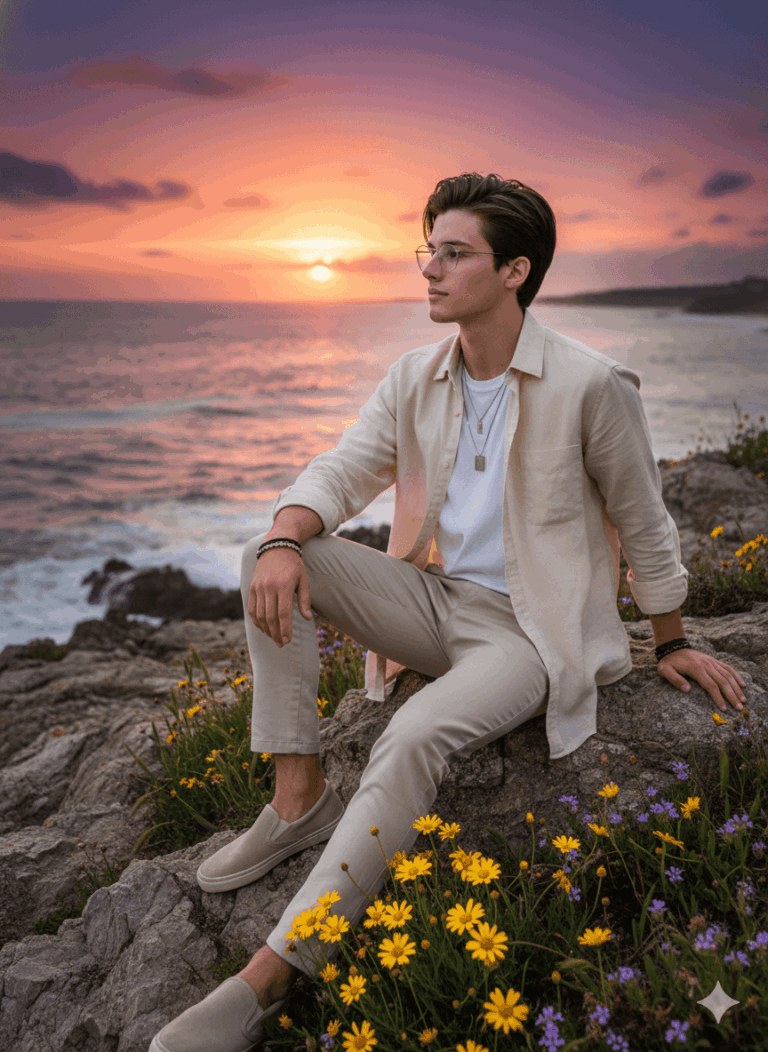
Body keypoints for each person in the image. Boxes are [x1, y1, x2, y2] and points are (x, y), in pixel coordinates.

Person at [149, 172, 747, 1052]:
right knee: (268, 554)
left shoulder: (590, 385)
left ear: (515, 270)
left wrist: (672, 639)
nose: (430, 269)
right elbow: (344, 470)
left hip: (528, 633)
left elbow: (644, 520)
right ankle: (297, 798)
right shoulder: (415, 375)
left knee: (415, 736)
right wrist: (284, 532)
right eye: (428, 249)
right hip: (432, 601)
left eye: (454, 253)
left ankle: (267, 979)